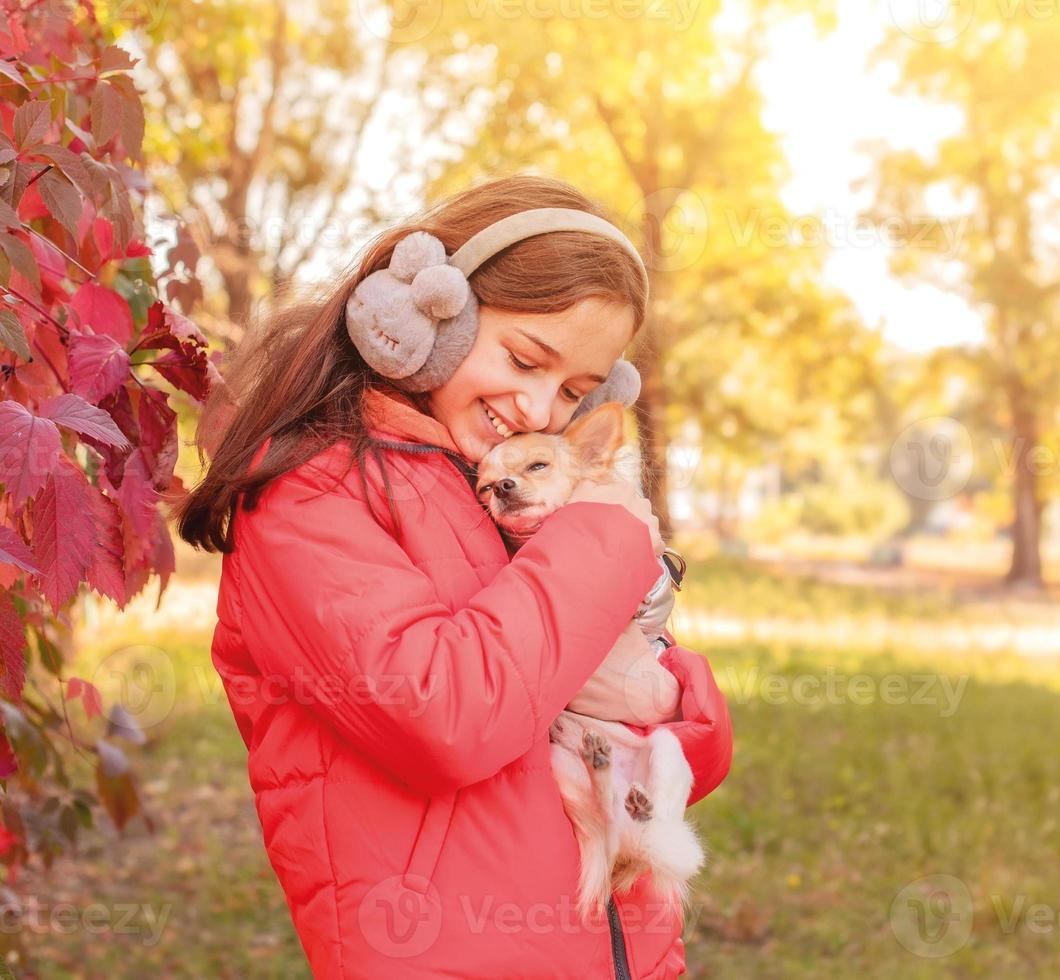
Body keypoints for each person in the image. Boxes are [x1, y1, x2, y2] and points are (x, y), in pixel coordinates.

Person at [175, 174, 734, 978]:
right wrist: (606, 536)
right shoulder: (312, 491)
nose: (542, 408)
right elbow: (445, 717)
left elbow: (682, 760)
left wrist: (676, 700)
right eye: (524, 358)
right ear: (430, 318)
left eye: (576, 390)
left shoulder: (500, 487)